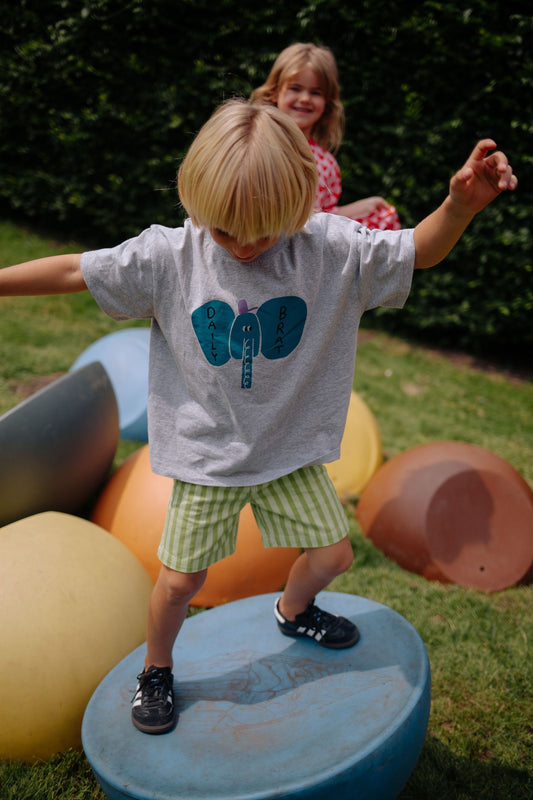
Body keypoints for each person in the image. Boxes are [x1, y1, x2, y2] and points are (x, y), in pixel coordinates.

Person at [0, 100, 516, 736]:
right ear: (196, 201)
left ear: (300, 204)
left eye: (263, 233)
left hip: (287, 451)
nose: (242, 246)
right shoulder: (170, 255)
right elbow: (72, 268)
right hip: (206, 455)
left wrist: (460, 207)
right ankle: (156, 668)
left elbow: (419, 252)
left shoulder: (330, 249)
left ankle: (293, 608)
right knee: (180, 580)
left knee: (332, 556)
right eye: (223, 230)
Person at [250, 42, 401, 230]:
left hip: (305, 249)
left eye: (315, 92)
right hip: (257, 240)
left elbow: (322, 220)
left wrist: (360, 208)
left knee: (383, 217)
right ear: (274, 92)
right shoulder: (254, 144)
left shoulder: (325, 162)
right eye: (295, 88)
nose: (305, 98)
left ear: (327, 102)